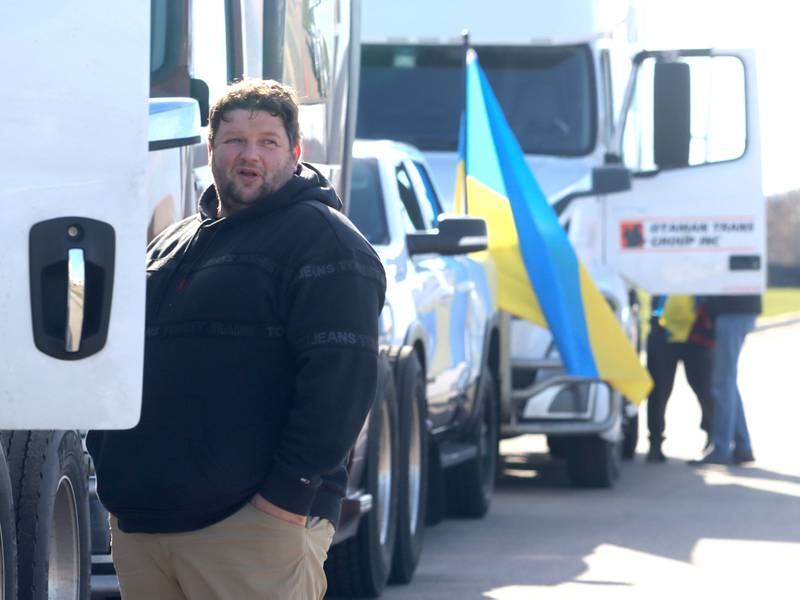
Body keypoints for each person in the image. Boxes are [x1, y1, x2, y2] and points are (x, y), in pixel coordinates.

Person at [87, 79, 386, 599]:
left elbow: (342, 387)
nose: (250, 155)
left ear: (295, 152)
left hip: (251, 529)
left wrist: (284, 502)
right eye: (234, 141)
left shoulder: (326, 243)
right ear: (210, 149)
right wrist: (110, 462)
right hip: (144, 527)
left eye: (268, 142)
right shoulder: (173, 241)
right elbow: (119, 358)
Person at [689, 294, 762, 466]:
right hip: (736, 310)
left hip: (731, 310)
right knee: (727, 382)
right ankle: (742, 446)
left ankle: (721, 448)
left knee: (723, 384)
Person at [645, 295, 714, 462]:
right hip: (663, 328)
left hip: (697, 328)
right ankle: (655, 441)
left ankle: (712, 437)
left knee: (705, 388)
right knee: (658, 390)